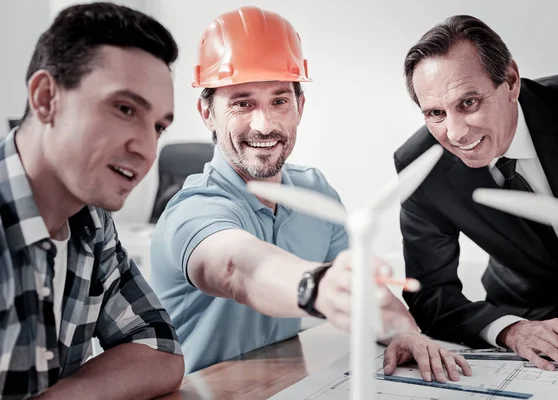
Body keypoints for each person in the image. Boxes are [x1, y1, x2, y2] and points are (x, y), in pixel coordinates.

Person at [150, 5, 471, 383]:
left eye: (279, 100)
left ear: (299, 107)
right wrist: (315, 286)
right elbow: (237, 268)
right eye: (242, 103)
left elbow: (362, 290)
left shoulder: (315, 192)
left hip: (284, 386)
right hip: (200, 392)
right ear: (207, 114)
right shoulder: (192, 210)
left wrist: (404, 333)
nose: (264, 124)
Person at [387, 14, 558, 375]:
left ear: (511, 81)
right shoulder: (421, 168)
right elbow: (429, 294)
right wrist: (511, 330)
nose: (455, 133)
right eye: (436, 113)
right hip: (532, 321)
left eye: (468, 103)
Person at [0, 3, 184, 398]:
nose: (147, 149)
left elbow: (160, 346)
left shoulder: (91, 221)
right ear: (46, 97)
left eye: (158, 127)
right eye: (124, 108)